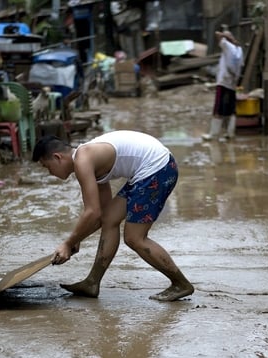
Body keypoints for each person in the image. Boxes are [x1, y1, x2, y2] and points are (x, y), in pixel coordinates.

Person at [32, 131, 195, 302]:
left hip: (158, 168)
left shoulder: (82, 161)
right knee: (110, 218)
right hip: (148, 169)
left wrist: (68, 243)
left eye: (47, 166)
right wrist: (76, 238)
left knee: (134, 238)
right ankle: (92, 283)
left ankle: (181, 284)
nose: (50, 172)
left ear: (57, 157)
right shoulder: (88, 159)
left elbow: (92, 213)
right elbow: (100, 214)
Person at [202, 30, 243, 142]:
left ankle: (213, 135)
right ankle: (230, 133)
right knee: (231, 109)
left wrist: (226, 36)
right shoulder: (238, 49)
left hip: (223, 82)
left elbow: (216, 33)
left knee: (218, 109)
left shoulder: (227, 46)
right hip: (232, 83)